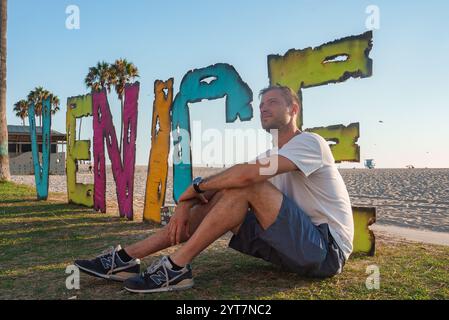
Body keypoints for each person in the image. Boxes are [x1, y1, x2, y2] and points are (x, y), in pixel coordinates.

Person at [74, 85, 354, 294]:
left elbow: (245, 177)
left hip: (326, 250)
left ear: (293, 109)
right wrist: (188, 202)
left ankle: (176, 267)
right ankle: (125, 259)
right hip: (291, 249)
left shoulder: (310, 143)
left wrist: (195, 186)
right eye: (261, 105)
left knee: (246, 185)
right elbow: (233, 181)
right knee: (228, 190)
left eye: (273, 102)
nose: (264, 108)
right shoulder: (272, 153)